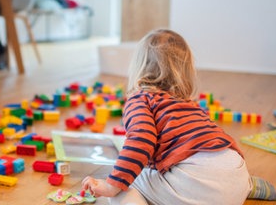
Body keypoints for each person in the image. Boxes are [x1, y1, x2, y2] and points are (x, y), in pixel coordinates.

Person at [82, 29, 253, 205]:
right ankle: (249, 185)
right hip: (238, 176)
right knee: (138, 169)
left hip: (200, 188)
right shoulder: (188, 104)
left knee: (127, 180)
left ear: (138, 68)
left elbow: (142, 140)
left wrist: (112, 186)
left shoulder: (140, 98)